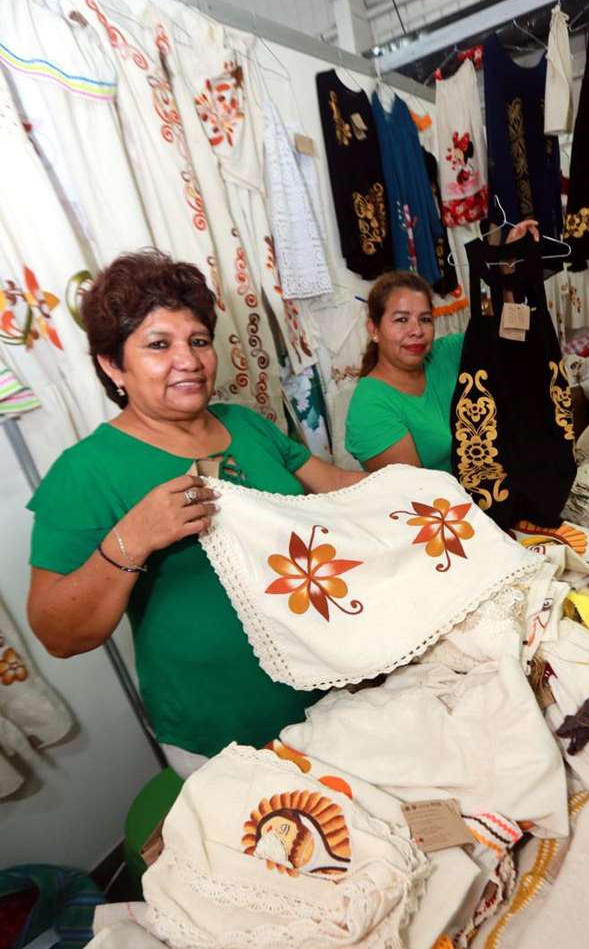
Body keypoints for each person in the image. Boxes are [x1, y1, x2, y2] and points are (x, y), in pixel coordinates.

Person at [26, 251, 365, 777]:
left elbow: (339, 489)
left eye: (198, 341)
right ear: (112, 364)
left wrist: (427, 488)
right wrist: (131, 539)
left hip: (328, 683)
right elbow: (59, 634)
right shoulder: (86, 471)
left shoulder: (245, 425)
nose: (188, 360)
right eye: (159, 345)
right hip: (221, 728)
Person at [345, 221, 540, 473]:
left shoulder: (447, 353)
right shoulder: (369, 407)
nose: (416, 330)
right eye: (401, 320)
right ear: (374, 330)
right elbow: (416, 494)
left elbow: (506, 335)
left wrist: (507, 265)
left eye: (425, 319)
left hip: (494, 490)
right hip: (445, 509)